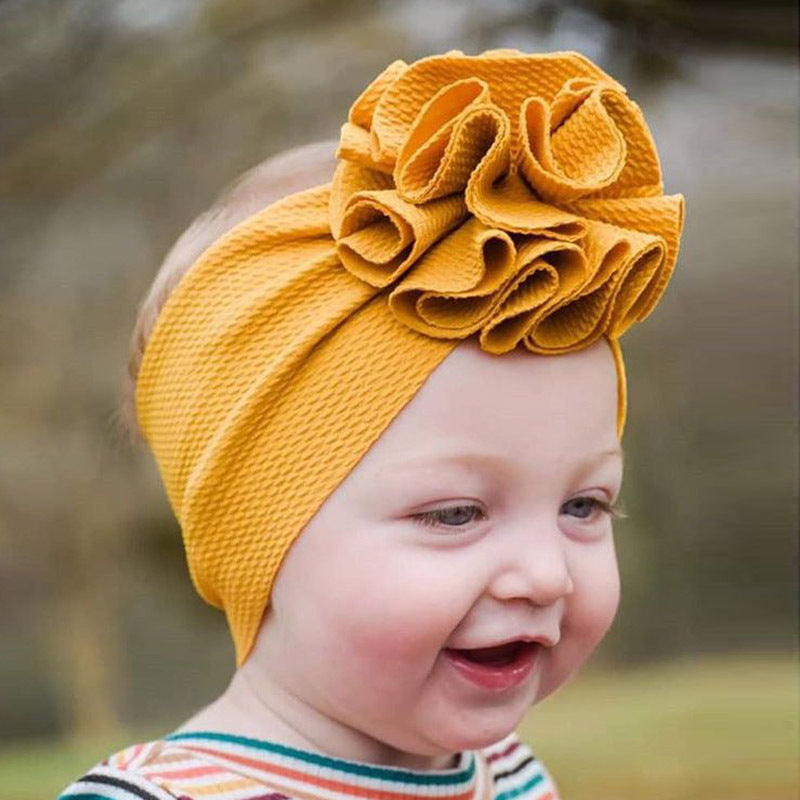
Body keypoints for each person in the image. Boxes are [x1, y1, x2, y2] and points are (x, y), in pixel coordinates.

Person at [56, 49, 685, 799]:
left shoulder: (513, 778)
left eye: (583, 505)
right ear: (257, 538)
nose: (548, 574)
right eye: (455, 513)